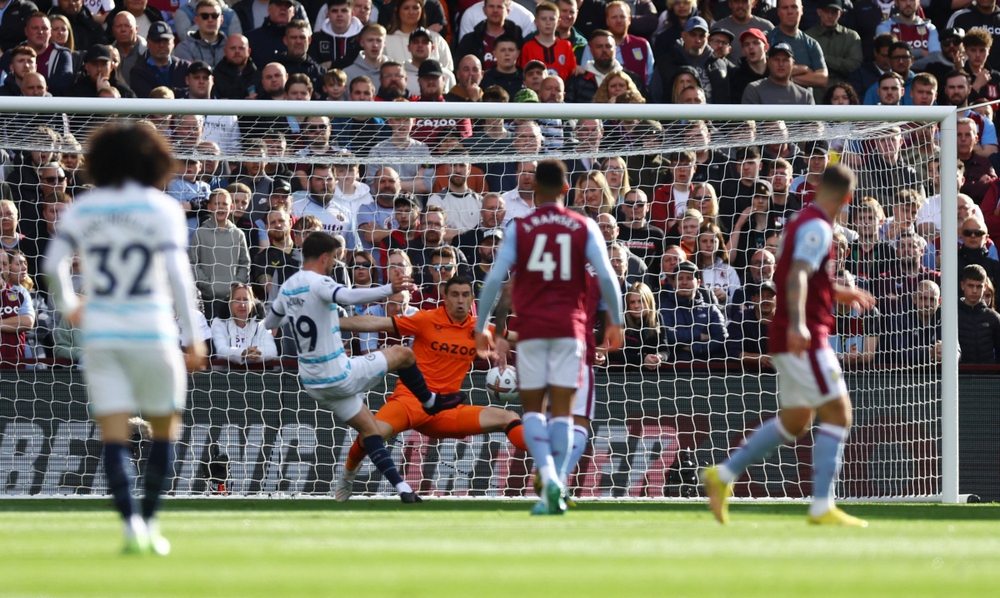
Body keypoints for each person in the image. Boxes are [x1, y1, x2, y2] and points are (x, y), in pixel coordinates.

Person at [41, 124, 208, 555]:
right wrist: (194, 337)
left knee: (114, 436)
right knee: (164, 432)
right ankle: (149, 523)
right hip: (152, 331)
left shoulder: (84, 208)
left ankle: (131, 524)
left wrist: (68, 306)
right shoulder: (163, 208)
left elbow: (52, 264)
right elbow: (178, 277)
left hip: (101, 334)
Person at [701, 164, 876, 527]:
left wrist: (836, 292)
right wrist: (798, 321)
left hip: (789, 333)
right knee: (839, 414)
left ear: (815, 187)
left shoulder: (800, 219)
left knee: (796, 420)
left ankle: (724, 474)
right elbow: (795, 272)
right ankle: (821, 506)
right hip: (804, 334)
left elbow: (802, 274)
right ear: (846, 198)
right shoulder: (817, 226)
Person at [263, 231, 466, 502]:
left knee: (371, 430)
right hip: (339, 374)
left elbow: (270, 324)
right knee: (404, 354)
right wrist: (388, 289)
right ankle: (429, 401)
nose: (335, 263)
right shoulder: (320, 282)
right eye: (335, 258)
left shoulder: (288, 286)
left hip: (313, 383)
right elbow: (347, 297)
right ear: (325, 257)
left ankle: (396, 488)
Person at [475, 158, 624, 515]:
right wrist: (616, 320)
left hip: (532, 330)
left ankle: (549, 481)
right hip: (571, 330)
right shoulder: (583, 225)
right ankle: (554, 485)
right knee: (562, 413)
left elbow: (497, 279)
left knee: (532, 410)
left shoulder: (521, 227)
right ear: (566, 189)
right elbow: (607, 276)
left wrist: (484, 324)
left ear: (533, 188)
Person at [334, 275, 529, 499]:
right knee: (371, 435)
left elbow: (520, 337)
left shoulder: (480, 329)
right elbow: (375, 322)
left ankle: (549, 467)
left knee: (509, 417)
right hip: (410, 402)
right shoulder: (426, 319)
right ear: (444, 297)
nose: (460, 300)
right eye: (454, 295)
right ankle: (347, 475)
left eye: (465, 295)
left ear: (472, 299)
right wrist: (334, 323)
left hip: (446, 410)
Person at [210, 282, 279, 365]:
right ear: (230, 303)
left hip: (256, 374)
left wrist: (257, 354)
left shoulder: (262, 323)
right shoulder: (219, 322)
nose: (242, 305)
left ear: (252, 303)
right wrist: (243, 353)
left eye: (246, 300)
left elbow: (272, 350)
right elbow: (220, 350)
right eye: (237, 300)